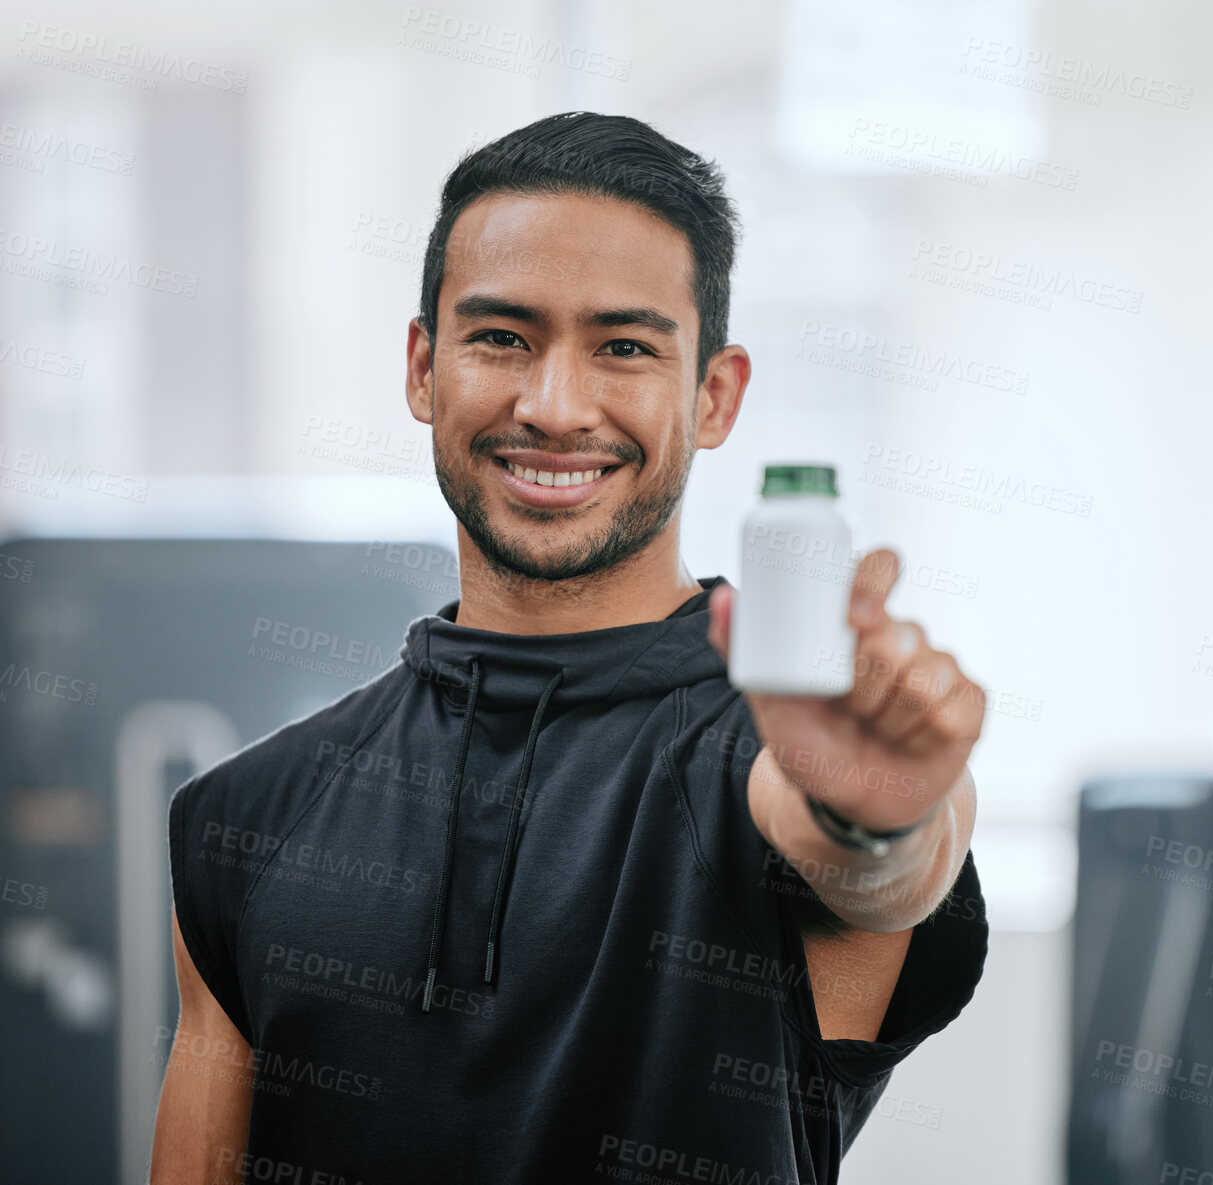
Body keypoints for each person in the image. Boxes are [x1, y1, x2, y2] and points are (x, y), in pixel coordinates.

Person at [149, 111, 988, 1185]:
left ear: (715, 395)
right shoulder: (242, 819)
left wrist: (869, 810)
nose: (552, 407)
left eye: (624, 348)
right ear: (422, 368)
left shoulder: (777, 755)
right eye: (501, 337)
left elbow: (868, 861)